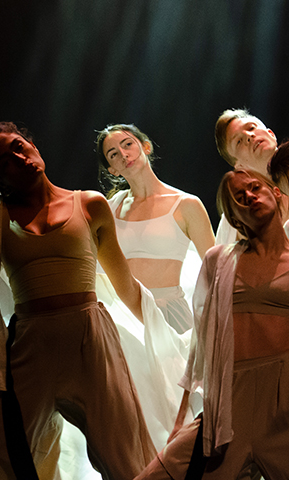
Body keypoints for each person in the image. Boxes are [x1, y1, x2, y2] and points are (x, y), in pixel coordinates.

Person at [0, 121, 157, 479]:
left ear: (31, 143)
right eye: (5, 161)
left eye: (19, 145)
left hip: (89, 344)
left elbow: (126, 286)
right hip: (30, 351)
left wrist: (166, 338)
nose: (19, 157)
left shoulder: (90, 204)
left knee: (128, 464)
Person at [136, 168, 289, 480]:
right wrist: (182, 418)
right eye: (237, 199)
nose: (249, 196)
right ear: (234, 219)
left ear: (275, 192)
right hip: (229, 407)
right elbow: (202, 345)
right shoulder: (219, 260)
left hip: (283, 401)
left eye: (254, 187)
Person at [96, 123, 215, 333]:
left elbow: (215, 267)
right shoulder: (111, 207)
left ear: (146, 146)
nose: (124, 154)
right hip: (124, 318)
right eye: (113, 154)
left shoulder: (187, 205)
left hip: (168, 315)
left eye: (128, 144)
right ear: (111, 169)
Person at [213, 108, 280, 244]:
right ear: (239, 166)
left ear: (271, 134)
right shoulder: (235, 219)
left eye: (251, 127)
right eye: (238, 142)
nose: (249, 136)